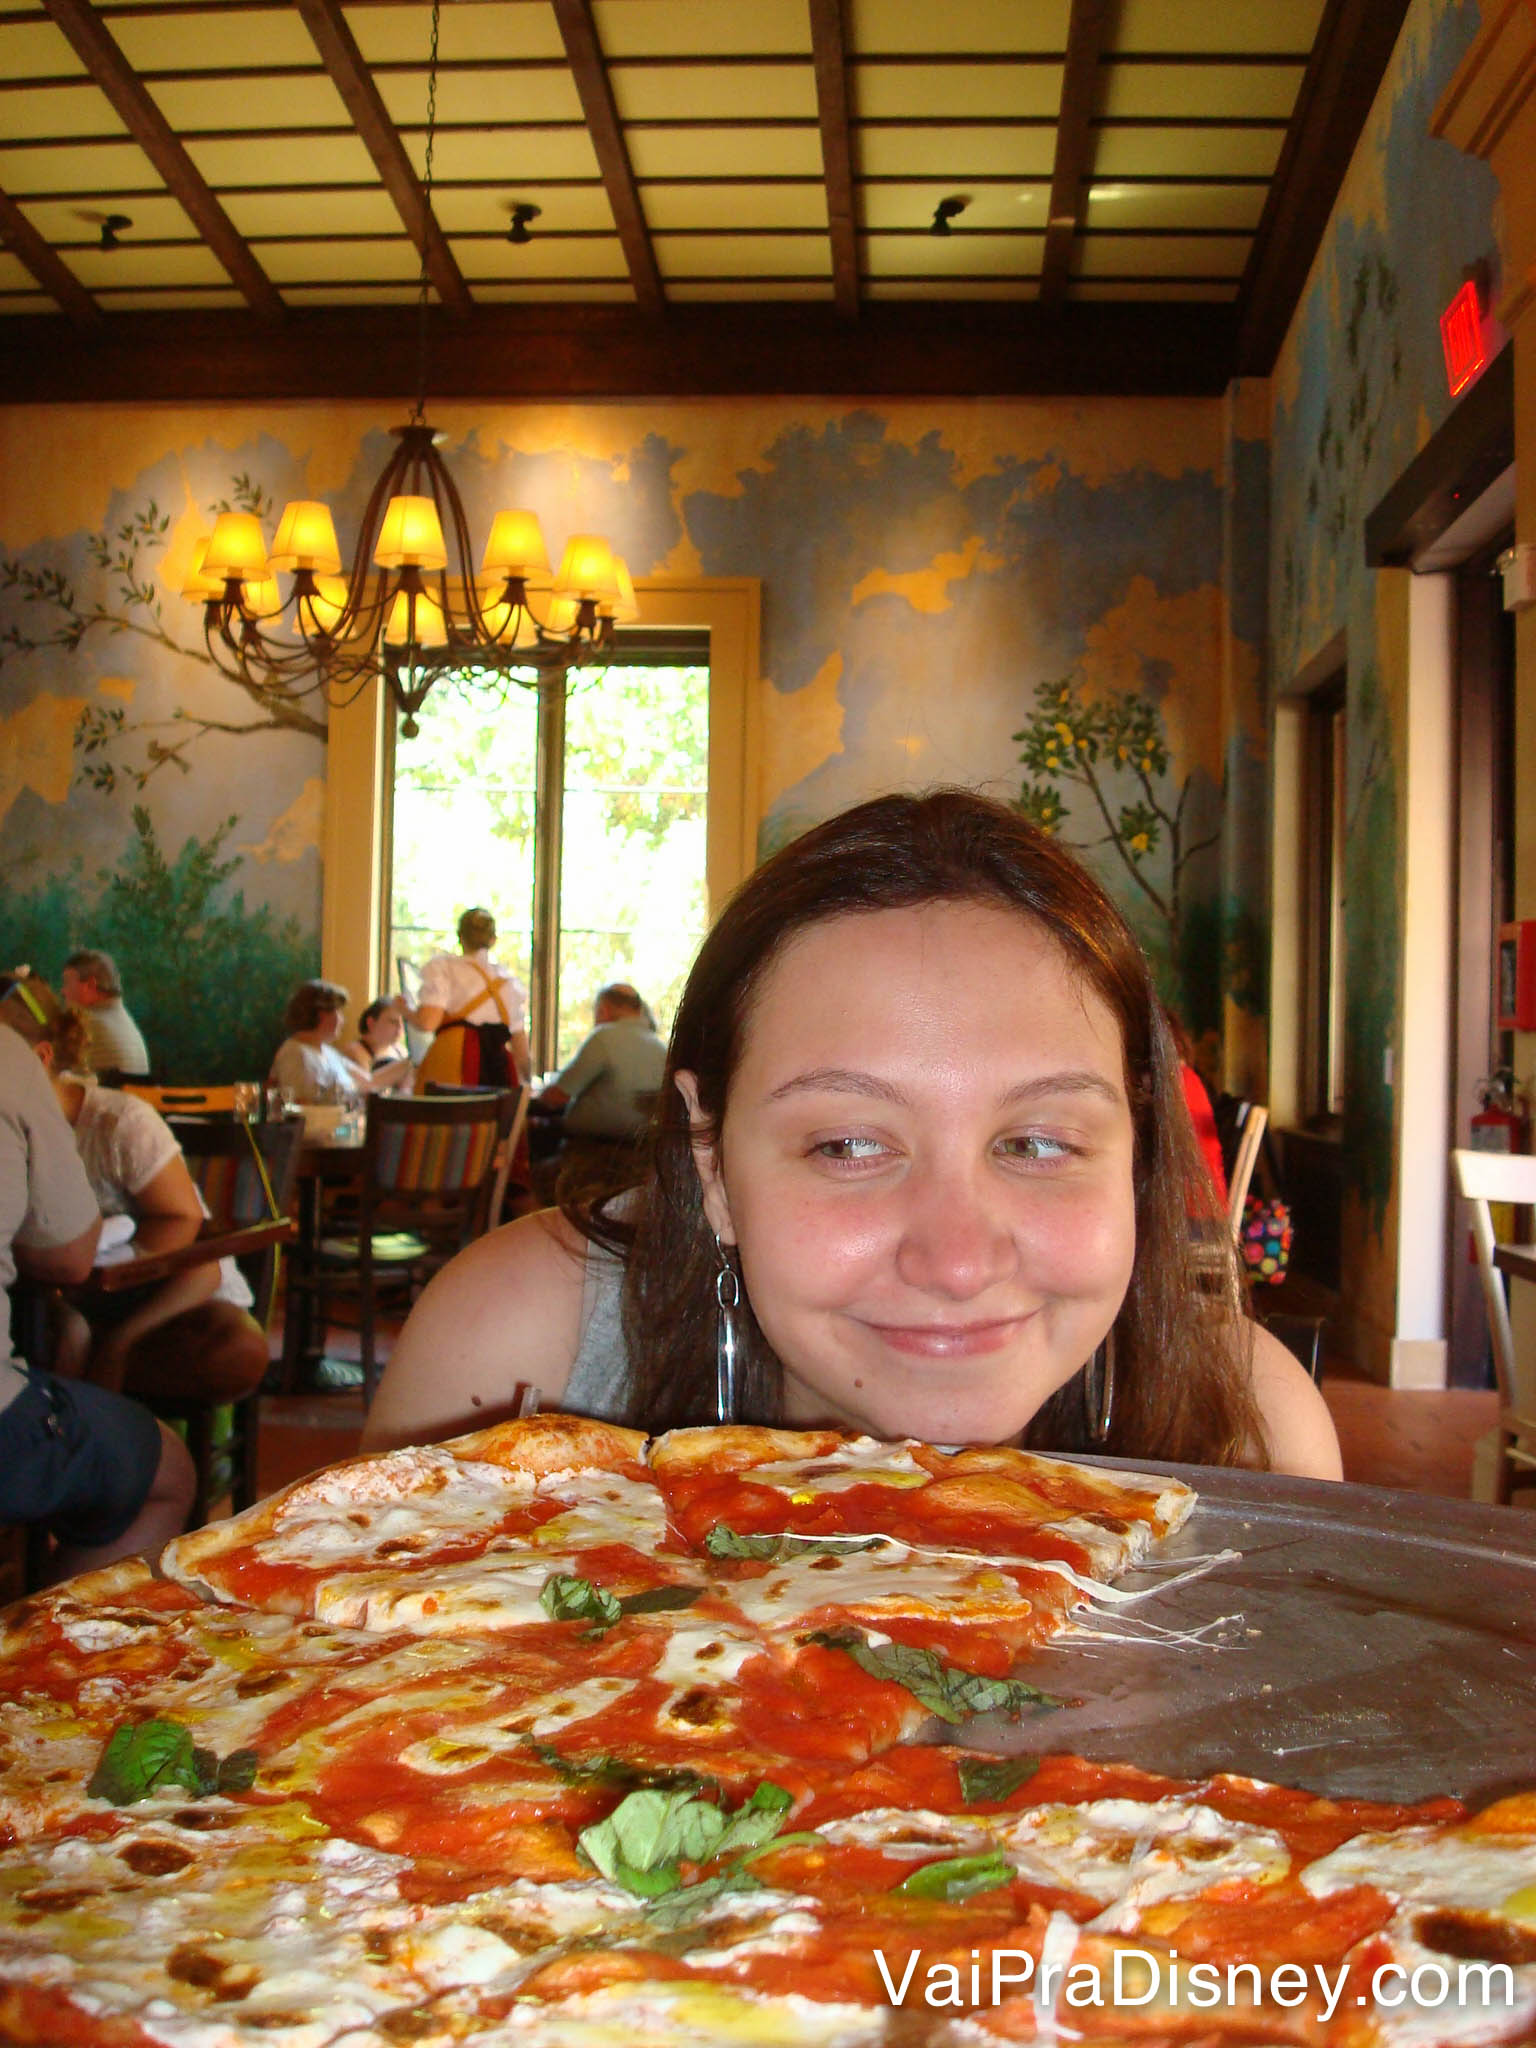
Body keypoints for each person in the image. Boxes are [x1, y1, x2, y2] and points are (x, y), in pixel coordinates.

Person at [363, 789, 1340, 1482]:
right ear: (712, 1163)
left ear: (1133, 1151)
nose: (957, 1261)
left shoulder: (1247, 1436)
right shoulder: (514, 1366)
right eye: (847, 1145)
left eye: (1037, 1141)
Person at [0, 989, 194, 1581]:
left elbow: (182, 1216)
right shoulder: (10, 1060)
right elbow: (67, 1259)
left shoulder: (121, 1119)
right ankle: (40, 1654)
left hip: (109, 1305)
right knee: (170, 1478)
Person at [2, 974, 269, 1404]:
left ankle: (106, 1383)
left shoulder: (117, 1121)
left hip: (157, 1296)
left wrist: (111, 1272)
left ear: (40, 1056)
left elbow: (182, 1218)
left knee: (235, 1350)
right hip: (54, 1297)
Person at [397, 909, 530, 1091]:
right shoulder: (508, 982)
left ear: (460, 936)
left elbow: (428, 1022)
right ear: (493, 939)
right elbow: (520, 1047)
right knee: (489, 1117)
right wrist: (527, 1083)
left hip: (453, 1059)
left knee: (443, 1116)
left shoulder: (445, 968)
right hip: (497, 1067)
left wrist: (405, 1011)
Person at [535, 983, 666, 1144]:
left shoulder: (604, 1037)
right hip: (642, 1148)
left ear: (602, 1010)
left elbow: (557, 1096)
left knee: (532, 1132)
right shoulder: (660, 1046)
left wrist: (540, 1094)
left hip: (594, 1147)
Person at [270, 980, 411, 1106]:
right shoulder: (295, 1054)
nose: (342, 1020)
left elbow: (369, 1082)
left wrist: (412, 1063)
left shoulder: (327, 1051)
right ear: (322, 1014)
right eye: (338, 1012)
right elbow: (301, 1109)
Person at [60, 948, 149, 1078]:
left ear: (90, 985)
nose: (63, 991)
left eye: (67, 983)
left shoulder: (87, 1024)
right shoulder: (125, 1023)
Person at [341, 996, 411, 1077]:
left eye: (404, 1022)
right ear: (371, 1023)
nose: (400, 1027)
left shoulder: (401, 1051)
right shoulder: (354, 1053)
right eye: (393, 1021)